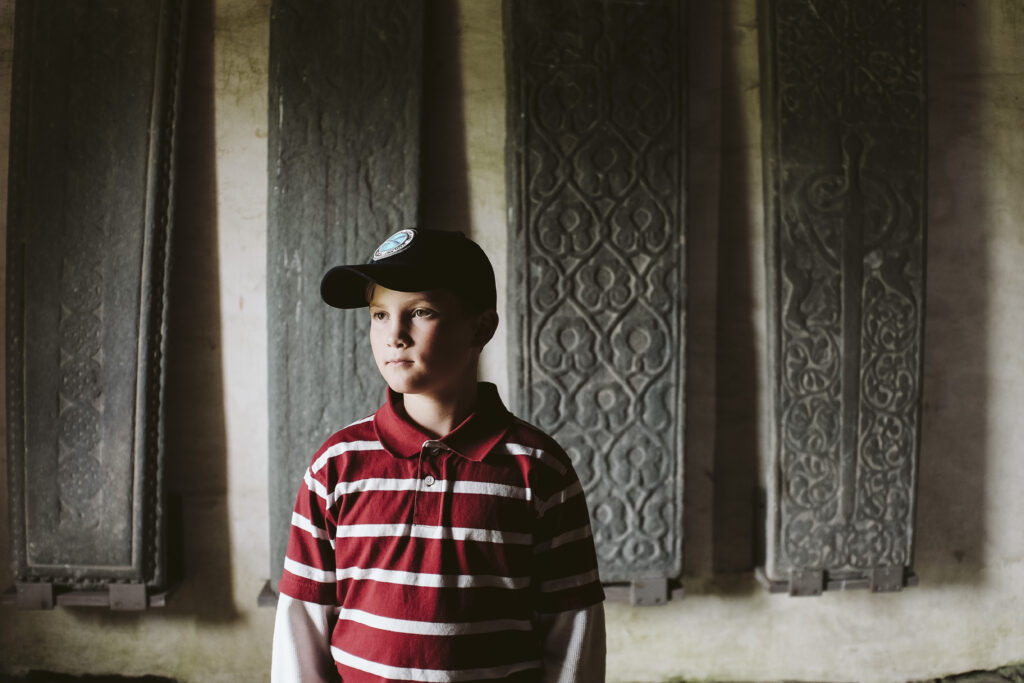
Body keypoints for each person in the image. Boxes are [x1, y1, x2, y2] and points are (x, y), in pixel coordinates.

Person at [271, 228, 606, 682]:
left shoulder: (538, 468)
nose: (395, 335)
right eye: (379, 315)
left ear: (481, 327)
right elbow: (302, 624)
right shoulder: (337, 466)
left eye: (421, 312)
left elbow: (572, 629)